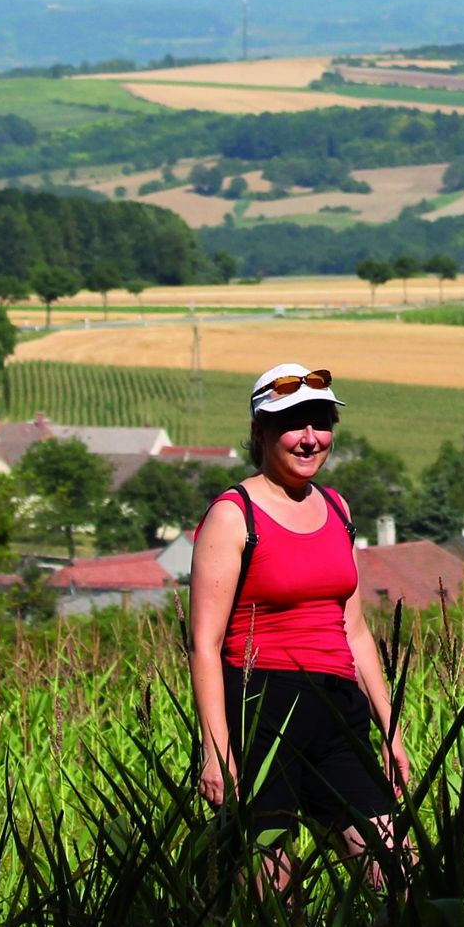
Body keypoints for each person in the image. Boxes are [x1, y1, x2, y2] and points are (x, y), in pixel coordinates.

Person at [186, 362, 411, 884]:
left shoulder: (336, 506)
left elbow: (353, 629)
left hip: (337, 712)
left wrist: (390, 724)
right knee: (275, 899)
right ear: (260, 431)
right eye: (294, 423)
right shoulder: (233, 514)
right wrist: (216, 751)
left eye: (321, 422)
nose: (310, 439)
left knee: (399, 877)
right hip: (260, 711)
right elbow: (205, 643)